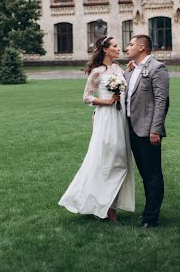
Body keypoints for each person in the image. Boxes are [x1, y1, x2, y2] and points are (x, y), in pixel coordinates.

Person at [58, 36, 135, 223]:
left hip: (121, 118)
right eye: (115, 46)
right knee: (107, 159)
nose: (120, 48)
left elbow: (122, 87)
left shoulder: (118, 69)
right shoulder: (96, 72)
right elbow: (86, 97)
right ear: (106, 50)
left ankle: (109, 205)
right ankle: (105, 207)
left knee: (121, 160)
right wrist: (107, 102)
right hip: (106, 118)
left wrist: (128, 71)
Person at [125, 34, 170, 228]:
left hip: (147, 130)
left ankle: (151, 218)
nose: (127, 47)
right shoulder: (132, 69)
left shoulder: (157, 68)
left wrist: (156, 129)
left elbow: (162, 101)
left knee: (152, 174)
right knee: (144, 173)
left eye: (131, 44)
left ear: (142, 47)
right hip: (131, 128)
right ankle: (147, 212)